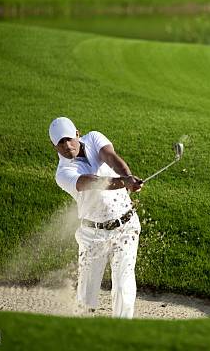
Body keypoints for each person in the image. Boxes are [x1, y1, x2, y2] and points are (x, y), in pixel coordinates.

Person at [48, 117, 143, 318]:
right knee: (86, 294)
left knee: (124, 285)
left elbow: (110, 157)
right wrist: (124, 182)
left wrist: (128, 176)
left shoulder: (94, 138)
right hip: (93, 235)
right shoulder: (63, 172)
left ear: (77, 133)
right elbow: (91, 181)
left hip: (126, 227)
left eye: (68, 139)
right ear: (54, 146)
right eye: (60, 143)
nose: (66, 146)